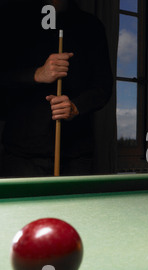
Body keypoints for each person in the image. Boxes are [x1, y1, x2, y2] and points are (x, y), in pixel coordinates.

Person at [0, 0, 113, 177]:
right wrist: (36, 74)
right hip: (22, 156)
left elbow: (103, 87)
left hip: (76, 156)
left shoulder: (91, 26)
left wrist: (76, 107)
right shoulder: (12, 18)